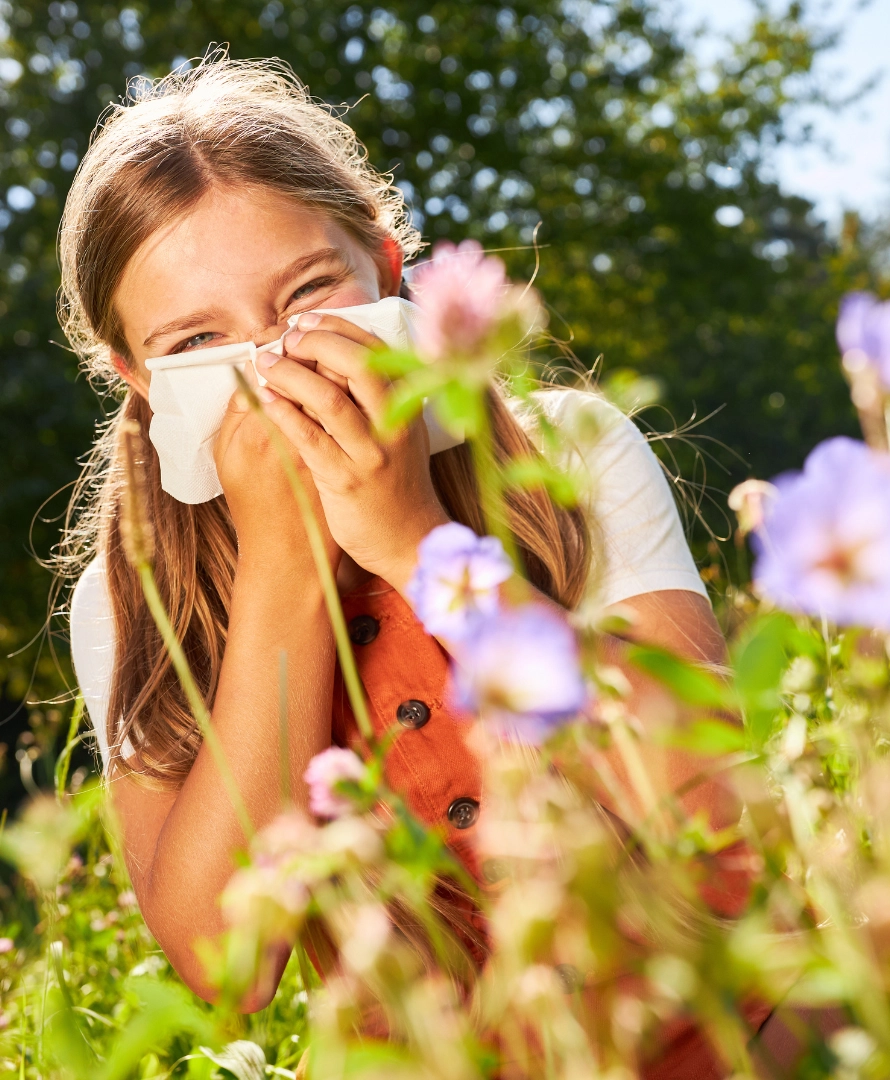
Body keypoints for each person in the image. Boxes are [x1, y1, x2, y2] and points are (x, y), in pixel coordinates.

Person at [56, 55, 732, 1024]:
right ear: (139, 378)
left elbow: (707, 799)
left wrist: (415, 541)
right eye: (197, 342)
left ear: (385, 265)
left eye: (306, 293)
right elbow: (226, 967)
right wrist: (284, 573)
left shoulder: (566, 452)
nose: (269, 361)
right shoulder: (134, 599)